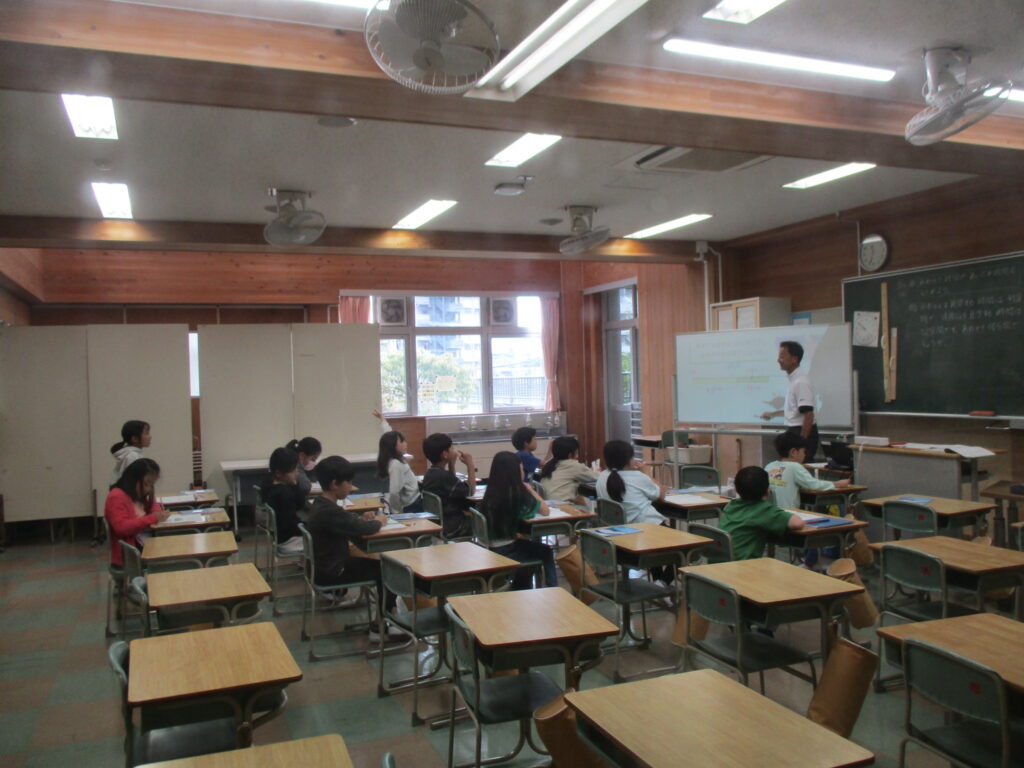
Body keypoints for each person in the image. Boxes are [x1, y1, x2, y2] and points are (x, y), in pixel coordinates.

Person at [306, 455, 400, 639]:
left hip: (322, 567)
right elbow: (364, 529)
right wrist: (379, 521)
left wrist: (361, 518)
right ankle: (381, 627)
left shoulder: (321, 504)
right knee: (388, 571)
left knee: (380, 566)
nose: (351, 486)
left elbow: (348, 523)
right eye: (348, 482)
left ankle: (389, 618)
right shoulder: (329, 511)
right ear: (334, 484)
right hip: (333, 572)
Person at [481, 451, 558, 589]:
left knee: (527, 546)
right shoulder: (517, 494)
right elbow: (545, 510)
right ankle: (553, 589)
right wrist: (530, 489)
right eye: (521, 469)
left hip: (491, 546)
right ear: (515, 472)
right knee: (545, 551)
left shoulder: (491, 491)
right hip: (508, 550)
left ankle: (520, 587)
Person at [720, 465, 805, 561]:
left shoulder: (731, 505)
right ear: (767, 491)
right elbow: (798, 523)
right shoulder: (763, 510)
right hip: (742, 565)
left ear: (736, 488)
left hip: (719, 564)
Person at [761, 340, 820, 461]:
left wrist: (801, 444)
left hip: (801, 433)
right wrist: (773, 414)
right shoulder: (794, 381)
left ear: (794, 359)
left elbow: (809, 415)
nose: (778, 360)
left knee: (799, 469)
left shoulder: (801, 382)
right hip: (794, 432)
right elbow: (795, 411)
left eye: (782, 356)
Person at [105, 457, 169, 566]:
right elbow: (122, 528)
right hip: (132, 554)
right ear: (133, 479)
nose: (148, 489)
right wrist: (153, 518)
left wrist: (156, 512)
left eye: (151, 485)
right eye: (146, 484)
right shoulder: (116, 496)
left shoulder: (137, 495)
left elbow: (152, 503)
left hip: (143, 545)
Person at [765, 432, 850, 510]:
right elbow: (813, 485)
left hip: (770, 512)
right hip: (788, 514)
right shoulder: (795, 467)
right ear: (793, 452)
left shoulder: (769, 466)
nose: (805, 455)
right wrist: (836, 484)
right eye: (803, 451)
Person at [595, 439, 666, 525]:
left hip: (619, 528)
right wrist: (645, 472)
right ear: (628, 460)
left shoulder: (602, 476)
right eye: (632, 457)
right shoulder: (637, 476)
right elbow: (661, 495)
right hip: (648, 526)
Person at [420, 433, 475, 539]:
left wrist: (451, 465)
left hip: (439, 523)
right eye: (452, 448)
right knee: (480, 520)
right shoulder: (443, 476)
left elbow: (452, 485)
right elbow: (470, 491)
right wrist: (470, 465)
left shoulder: (431, 473)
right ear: (445, 454)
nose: (454, 451)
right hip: (454, 526)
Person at [259, 446, 305, 554]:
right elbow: (292, 522)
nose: (297, 473)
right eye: (293, 470)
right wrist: (308, 527)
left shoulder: (269, 483)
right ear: (279, 473)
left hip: (278, 538)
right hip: (289, 541)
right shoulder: (284, 494)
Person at [539, 436, 598, 503]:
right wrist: (596, 471)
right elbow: (595, 477)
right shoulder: (573, 465)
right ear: (570, 455)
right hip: (562, 505)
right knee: (588, 504)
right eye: (577, 453)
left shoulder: (549, 464)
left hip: (548, 504)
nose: (577, 456)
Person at [376, 428, 422, 514]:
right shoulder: (396, 464)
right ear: (392, 446)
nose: (405, 443)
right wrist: (396, 512)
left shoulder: (396, 461)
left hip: (413, 501)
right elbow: (394, 492)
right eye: (402, 441)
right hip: (412, 505)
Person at [109, 420, 151, 485]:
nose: (150, 437)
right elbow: (132, 482)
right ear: (135, 439)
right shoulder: (132, 456)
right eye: (146, 433)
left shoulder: (132, 454)